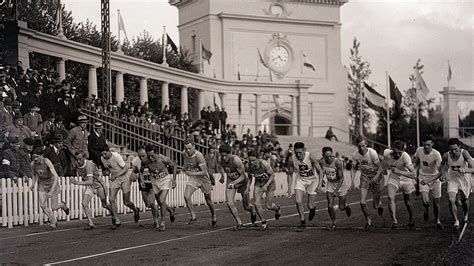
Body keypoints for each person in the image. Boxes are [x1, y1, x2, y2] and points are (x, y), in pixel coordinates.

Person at [70, 151, 116, 230]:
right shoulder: (77, 164)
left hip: (99, 186)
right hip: (90, 186)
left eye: (80, 159)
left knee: (104, 205)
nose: (78, 161)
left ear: (84, 158)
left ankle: (114, 214)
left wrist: (77, 182)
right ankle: (91, 223)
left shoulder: (89, 165)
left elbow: (90, 181)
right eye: (77, 159)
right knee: (84, 203)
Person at [218, 143, 256, 230]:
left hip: (242, 181)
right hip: (231, 180)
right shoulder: (220, 158)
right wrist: (222, 176)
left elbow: (243, 176)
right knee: (229, 203)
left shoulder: (236, 160)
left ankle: (252, 209)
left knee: (246, 206)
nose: (224, 158)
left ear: (230, 153)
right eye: (222, 155)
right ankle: (239, 222)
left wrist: (234, 183)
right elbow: (220, 166)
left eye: (226, 155)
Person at [100, 145, 140, 227]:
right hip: (115, 179)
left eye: (105, 154)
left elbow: (125, 168)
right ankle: (116, 220)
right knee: (111, 199)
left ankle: (135, 209)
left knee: (126, 202)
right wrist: (107, 173)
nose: (104, 156)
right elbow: (108, 169)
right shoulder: (102, 159)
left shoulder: (116, 156)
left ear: (109, 151)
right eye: (102, 154)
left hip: (124, 177)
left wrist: (116, 175)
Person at [287, 142, 322, 232]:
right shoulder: (291, 159)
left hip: (312, 181)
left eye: (300, 153)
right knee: (298, 201)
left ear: (304, 150)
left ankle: (313, 208)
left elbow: (320, 171)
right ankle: (302, 222)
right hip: (300, 180)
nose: (298, 155)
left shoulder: (310, 156)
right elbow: (290, 174)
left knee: (310, 205)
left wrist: (319, 184)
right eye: (296, 153)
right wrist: (289, 188)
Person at [30, 148, 69, 229]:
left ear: (42, 156)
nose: (36, 159)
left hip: (52, 183)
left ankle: (62, 205)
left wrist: (51, 191)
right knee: (42, 205)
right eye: (34, 157)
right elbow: (34, 174)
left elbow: (56, 177)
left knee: (54, 207)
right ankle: (53, 221)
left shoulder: (46, 161)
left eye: (37, 157)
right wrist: (33, 184)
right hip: (42, 183)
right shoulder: (33, 164)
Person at [141, 145, 177, 231]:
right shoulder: (145, 160)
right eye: (148, 155)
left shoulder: (164, 159)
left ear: (157, 153)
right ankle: (171, 211)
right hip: (154, 181)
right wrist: (141, 179)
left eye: (152, 155)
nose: (151, 158)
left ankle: (162, 222)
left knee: (161, 200)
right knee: (160, 203)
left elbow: (174, 166)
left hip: (165, 180)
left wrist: (174, 180)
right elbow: (141, 170)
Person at [351, 137, 384, 231]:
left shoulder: (372, 153)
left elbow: (380, 168)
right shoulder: (355, 154)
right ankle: (368, 221)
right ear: (357, 146)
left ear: (366, 145)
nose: (361, 148)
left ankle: (379, 204)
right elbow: (353, 168)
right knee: (362, 202)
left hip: (375, 176)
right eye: (359, 146)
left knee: (375, 206)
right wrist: (352, 181)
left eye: (363, 146)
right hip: (365, 177)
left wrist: (376, 177)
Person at [182, 139, 217, 228]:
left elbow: (204, 172)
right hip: (194, 178)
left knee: (208, 201)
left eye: (189, 148)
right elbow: (186, 165)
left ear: (194, 147)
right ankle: (193, 216)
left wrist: (191, 173)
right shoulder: (184, 154)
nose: (188, 151)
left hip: (203, 179)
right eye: (186, 149)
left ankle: (214, 215)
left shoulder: (199, 156)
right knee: (186, 196)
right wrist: (184, 169)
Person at [440, 138, 473, 230]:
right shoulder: (446, 155)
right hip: (452, 179)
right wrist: (443, 174)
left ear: (459, 147)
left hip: (464, 179)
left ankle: (465, 215)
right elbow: (442, 165)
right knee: (451, 200)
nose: (453, 152)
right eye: (451, 149)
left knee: (465, 200)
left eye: (455, 149)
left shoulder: (464, 153)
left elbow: (473, 168)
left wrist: (465, 170)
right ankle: (456, 221)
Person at [383, 140, 417, 229]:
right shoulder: (387, 154)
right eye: (396, 152)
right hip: (394, 178)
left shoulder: (406, 157)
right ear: (393, 150)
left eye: (400, 153)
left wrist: (399, 171)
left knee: (408, 202)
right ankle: (394, 221)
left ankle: (411, 218)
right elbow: (383, 164)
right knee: (390, 197)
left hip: (406, 180)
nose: (398, 155)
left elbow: (414, 174)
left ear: (403, 151)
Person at [412, 135, 443, 229]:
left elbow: (440, 172)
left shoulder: (436, 154)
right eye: (424, 144)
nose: (426, 147)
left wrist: (429, 180)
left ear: (432, 144)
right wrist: (413, 167)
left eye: (428, 145)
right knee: (426, 201)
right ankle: (426, 209)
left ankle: (437, 220)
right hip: (423, 177)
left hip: (435, 179)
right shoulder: (419, 150)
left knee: (436, 204)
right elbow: (416, 161)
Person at [246, 149, 281, 230]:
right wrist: (248, 186)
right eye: (250, 160)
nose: (251, 162)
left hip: (269, 183)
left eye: (253, 160)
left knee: (268, 206)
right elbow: (250, 177)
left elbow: (272, 175)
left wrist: (266, 185)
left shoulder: (264, 163)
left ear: (258, 159)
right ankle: (264, 222)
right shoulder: (248, 166)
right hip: (258, 183)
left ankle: (277, 208)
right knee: (256, 203)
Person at [320, 147, 351, 231]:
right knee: (330, 206)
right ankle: (334, 223)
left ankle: (346, 205)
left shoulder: (337, 162)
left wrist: (336, 191)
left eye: (330, 156)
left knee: (341, 207)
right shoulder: (321, 162)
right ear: (323, 155)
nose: (329, 158)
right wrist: (322, 179)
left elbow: (341, 178)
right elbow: (320, 171)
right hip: (330, 183)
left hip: (340, 184)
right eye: (327, 156)